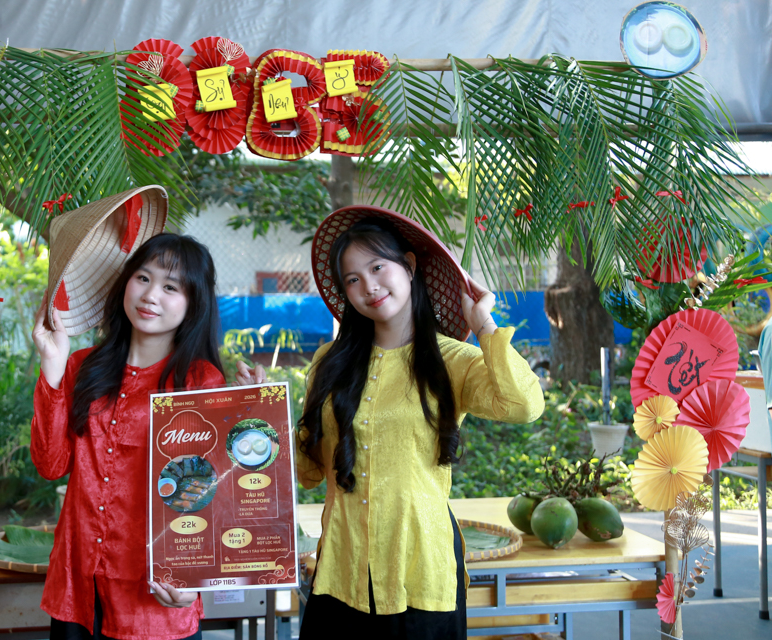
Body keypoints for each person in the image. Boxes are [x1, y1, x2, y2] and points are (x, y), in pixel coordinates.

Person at [237, 210, 545, 639]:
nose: (369, 286)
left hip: (420, 568)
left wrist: (484, 324)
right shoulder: (329, 362)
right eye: (353, 279)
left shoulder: (453, 360)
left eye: (377, 267)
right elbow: (308, 470)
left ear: (410, 266)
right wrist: (260, 411)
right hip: (341, 568)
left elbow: (523, 405)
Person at [31, 233, 226, 640]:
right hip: (77, 586)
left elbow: (210, 493)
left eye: (171, 287)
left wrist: (194, 580)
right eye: (143, 278)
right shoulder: (82, 366)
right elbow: (51, 465)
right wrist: (52, 367)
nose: (151, 295)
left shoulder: (200, 382)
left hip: (154, 596)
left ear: (194, 303)